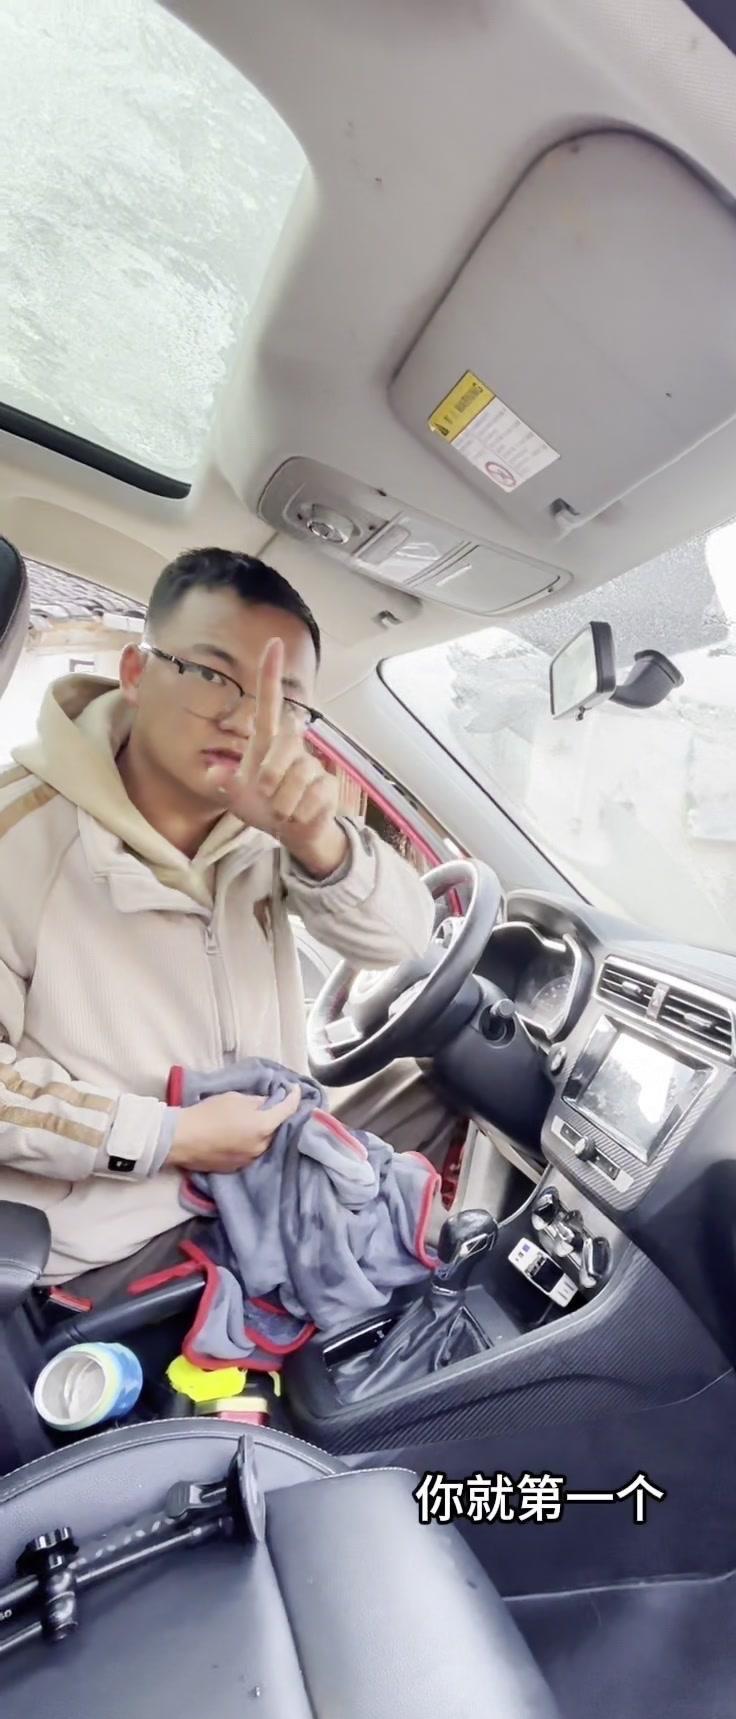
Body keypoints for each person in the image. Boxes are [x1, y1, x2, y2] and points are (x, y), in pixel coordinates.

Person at [0, 546, 439, 1286]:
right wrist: (165, 1136)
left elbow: (401, 941)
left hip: (262, 1201)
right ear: (136, 673)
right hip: (103, 1251)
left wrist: (317, 840)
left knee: (437, 1102)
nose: (246, 719)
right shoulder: (19, 836)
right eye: (212, 675)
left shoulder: (272, 827)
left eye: (282, 701)